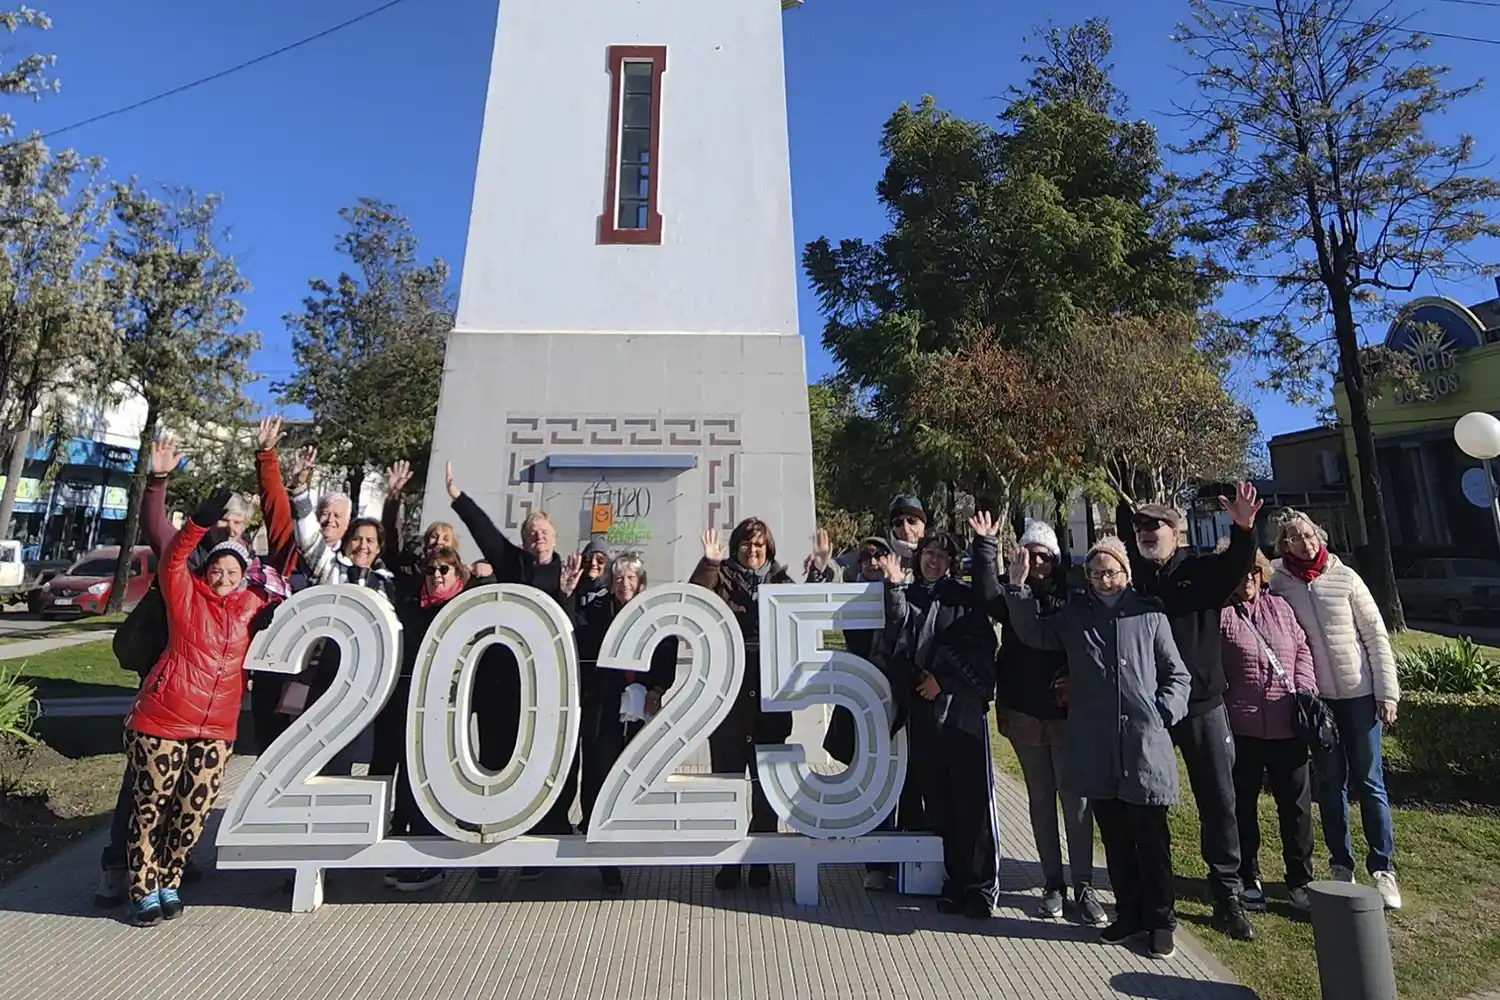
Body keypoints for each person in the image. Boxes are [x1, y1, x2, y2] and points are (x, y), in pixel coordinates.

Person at [97, 435, 289, 908]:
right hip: (165, 704)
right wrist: (161, 481)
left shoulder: (251, 597)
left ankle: (168, 874)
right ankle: (123, 874)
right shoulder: (189, 580)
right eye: (223, 519)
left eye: (238, 522)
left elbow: (286, 547)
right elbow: (165, 538)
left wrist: (269, 465)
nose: (229, 526)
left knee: (190, 808)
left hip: (214, 722)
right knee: (144, 799)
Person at [1003, 535, 1192, 960]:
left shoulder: (1150, 617)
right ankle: (1128, 913)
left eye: (1111, 572)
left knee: (1152, 840)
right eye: (1095, 573)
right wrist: (1017, 589)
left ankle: (1161, 920)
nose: (1104, 580)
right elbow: (1034, 632)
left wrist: (1162, 713)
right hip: (1097, 746)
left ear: (1125, 574)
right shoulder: (1075, 616)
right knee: (1117, 838)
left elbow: (1177, 675)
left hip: (1145, 747)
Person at [1126, 482, 1263, 941]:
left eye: (1156, 525)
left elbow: (1236, 567)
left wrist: (1243, 529)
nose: (1146, 532)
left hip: (1203, 706)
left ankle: (1228, 895)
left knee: (1218, 802)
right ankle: (1157, 897)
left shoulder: (1200, 571)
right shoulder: (1132, 579)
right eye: (1140, 526)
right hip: (1152, 714)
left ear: (1177, 531)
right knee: (1150, 808)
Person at [445, 462, 583, 873]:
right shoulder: (514, 565)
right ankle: (490, 847)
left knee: (542, 764)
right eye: (531, 533)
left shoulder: (567, 572)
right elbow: (485, 533)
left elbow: (572, 631)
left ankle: (537, 845)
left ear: (555, 538)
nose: (538, 537)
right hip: (504, 684)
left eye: (544, 532)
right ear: (524, 541)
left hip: (545, 689)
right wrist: (459, 498)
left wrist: (569, 594)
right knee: (497, 758)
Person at [971, 513, 1106, 926]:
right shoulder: (1012, 594)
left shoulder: (1075, 598)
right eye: (1030, 556)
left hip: (1068, 715)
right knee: (1040, 799)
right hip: (1024, 712)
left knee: (1076, 800)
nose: (1038, 564)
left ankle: (1084, 884)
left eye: (1044, 556)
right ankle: (1053, 883)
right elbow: (985, 593)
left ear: (1057, 558)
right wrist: (987, 547)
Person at [1268, 510, 1402, 910]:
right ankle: (1341, 863)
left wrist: (1386, 691)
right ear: (1284, 546)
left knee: (1370, 780)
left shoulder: (1345, 577)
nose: (1305, 543)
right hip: (1319, 701)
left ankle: (1383, 868)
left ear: (1320, 537)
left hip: (1359, 695)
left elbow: (1376, 634)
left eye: (1309, 535)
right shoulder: (1281, 585)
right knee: (1331, 783)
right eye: (1294, 538)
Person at [879, 531, 1000, 920]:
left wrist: (943, 681)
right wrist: (895, 591)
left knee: (973, 804)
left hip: (961, 715)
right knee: (940, 804)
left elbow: (981, 649)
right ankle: (953, 880)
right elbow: (897, 642)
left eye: (942, 555)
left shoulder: (963, 599)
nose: (934, 560)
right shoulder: (909, 594)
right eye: (929, 553)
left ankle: (980, 887)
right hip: (924, 717)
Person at [691, 518, 794, 889]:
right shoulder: (721, 577)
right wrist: (710, 563)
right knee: (729, 781)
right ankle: (730, 861)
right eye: (747, 545)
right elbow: (695, 599)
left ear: (769, 549)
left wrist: (822, 571)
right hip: (729, 700)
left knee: (766, 785)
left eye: (760, 546)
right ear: (736, 547)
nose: (753, 551)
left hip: (770, 699)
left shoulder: (781, 582)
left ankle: (762, 860)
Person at [817, 534, 923, 892]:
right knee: (873, 782)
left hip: (903, 699)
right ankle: (876, 862)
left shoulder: (907, 591)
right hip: (864, 701)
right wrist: (821, 568)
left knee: (906, 782)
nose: (873, 562)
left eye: (880, 555)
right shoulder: (850, 596)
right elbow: (816, 604)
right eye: (865, 558)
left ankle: (908, 855)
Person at [572, 551, 678, 894]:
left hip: (638, 710)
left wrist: (658, 686)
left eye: (631, 578)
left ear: (641, 583)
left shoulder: (654, 615)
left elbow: (667, 651)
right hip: (604, 709)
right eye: (618, 578)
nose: (624, 584)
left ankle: (624, 838)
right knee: (599, 774)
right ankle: (602, 853)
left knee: (631, 777)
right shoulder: (598, 611)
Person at [1220, 547, 1319, 912]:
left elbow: (1303, 650)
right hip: (1243, 727)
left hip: (1286, 723)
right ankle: (1248, 877)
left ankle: (1300, 880)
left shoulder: (1280, 609)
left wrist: (1305, 689)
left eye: (1253, 574)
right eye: (1240, 575)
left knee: (1296, 808)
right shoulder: (1222, 615)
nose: (1247, 581)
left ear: (1261, 574)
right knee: (1242, 806)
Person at [374, 543, 474, 893]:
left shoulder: (466, 608)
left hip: (449, 708)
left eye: (443, 570)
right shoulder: (410, 608)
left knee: (437, 779)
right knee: (410, 775)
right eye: (431, 570)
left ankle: (431, 857)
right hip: (412, 703)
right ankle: (405, 851)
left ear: (457, 574)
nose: (436, 576)